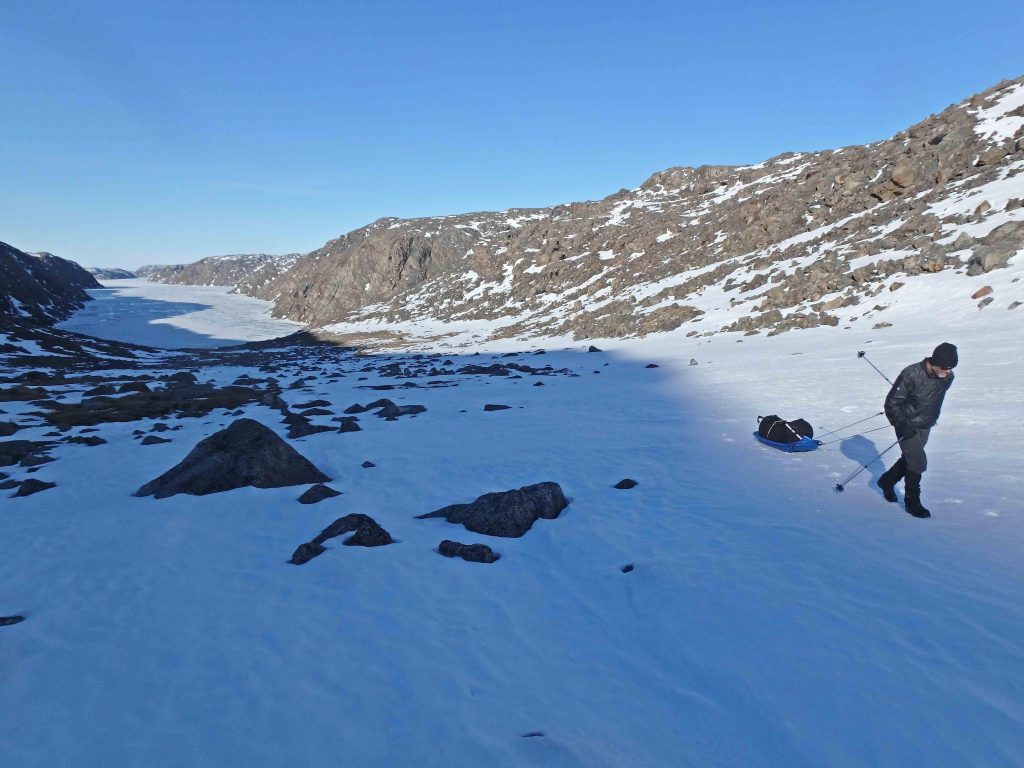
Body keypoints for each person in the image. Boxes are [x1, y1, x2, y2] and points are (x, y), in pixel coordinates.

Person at [877, 342, 957, 518]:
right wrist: (902, 424)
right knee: (918, 463)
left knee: (910, 459)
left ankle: (887, 480)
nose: (948, 372)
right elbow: (891, 404)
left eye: (951, 368)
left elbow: (932, 399)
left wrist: (930, 417)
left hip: (926, 425)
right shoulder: (911, 373)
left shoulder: (947, 378)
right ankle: (912, 502)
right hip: (906, 425)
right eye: (945, 367)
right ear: (935, 362)